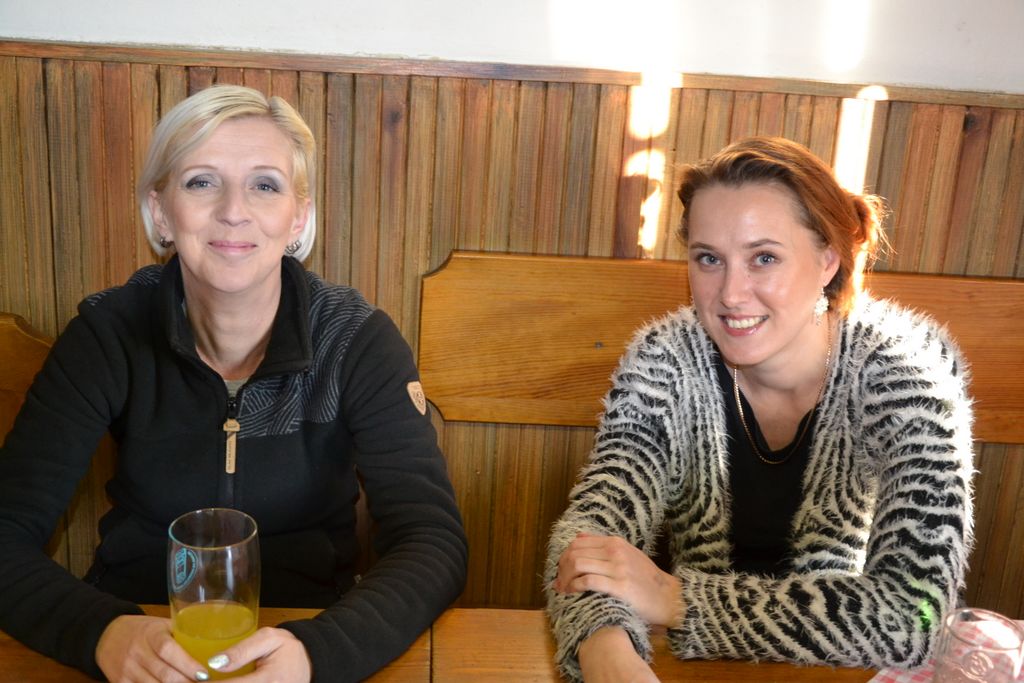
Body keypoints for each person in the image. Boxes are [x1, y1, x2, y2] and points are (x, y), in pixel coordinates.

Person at [0, 85, 467, 682]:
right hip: (140, 640)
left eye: (264, 185)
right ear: (161, 212)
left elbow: (432, 541)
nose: (233, 210)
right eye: (201, 182)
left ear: (298, 217)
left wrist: (317, 653)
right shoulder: (108, 334)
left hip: (305, 633)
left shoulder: (357, 341)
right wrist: (104, 633)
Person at [546, 136, 974, 682]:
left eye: (764, 258)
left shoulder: (908, 376)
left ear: (827, 260)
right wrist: (605, 646)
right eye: (708, 259)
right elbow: (590, 534)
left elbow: (913, 618)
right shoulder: (663, 360)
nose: (730, 294)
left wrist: (676, 600)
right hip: (690, 669)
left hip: (839, 672)